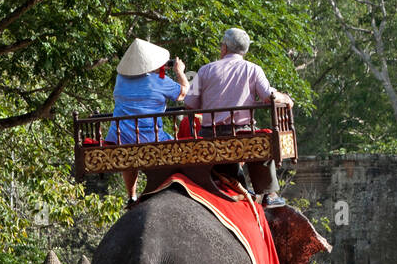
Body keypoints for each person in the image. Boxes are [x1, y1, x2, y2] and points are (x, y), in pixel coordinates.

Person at [183, 27, 293, 204]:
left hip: (208, 134)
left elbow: (189, 103)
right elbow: (268, 96)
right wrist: (285, 98)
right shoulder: (253, 69)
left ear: (224, 48)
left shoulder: (204, 70)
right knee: (264, 139)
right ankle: (269, 194)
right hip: (242, 134)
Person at [107, 38, 188, 204]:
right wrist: (180, 71)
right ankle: (171, 191)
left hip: (118, 138)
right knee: (181, 150)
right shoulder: (160, 81)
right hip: (150, 138)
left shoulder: (120, 79)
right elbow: (184, 93)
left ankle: (132, 196)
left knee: (129, 156)